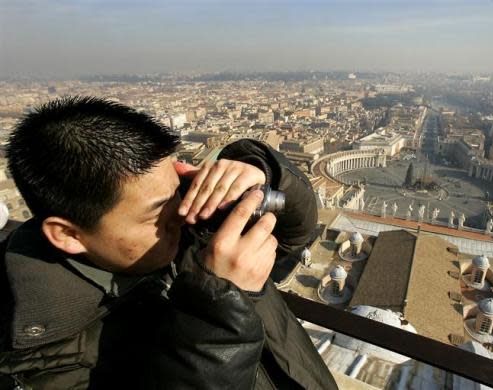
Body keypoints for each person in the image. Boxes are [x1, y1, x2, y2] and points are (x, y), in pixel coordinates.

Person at [0, 97, 338, 389]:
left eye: (176, 189)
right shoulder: (42, 364)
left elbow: (296, 235)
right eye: (154, 215)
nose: (182, 215)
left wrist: (267, 179)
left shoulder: (194, 232)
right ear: (68, 234)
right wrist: (219, 311)